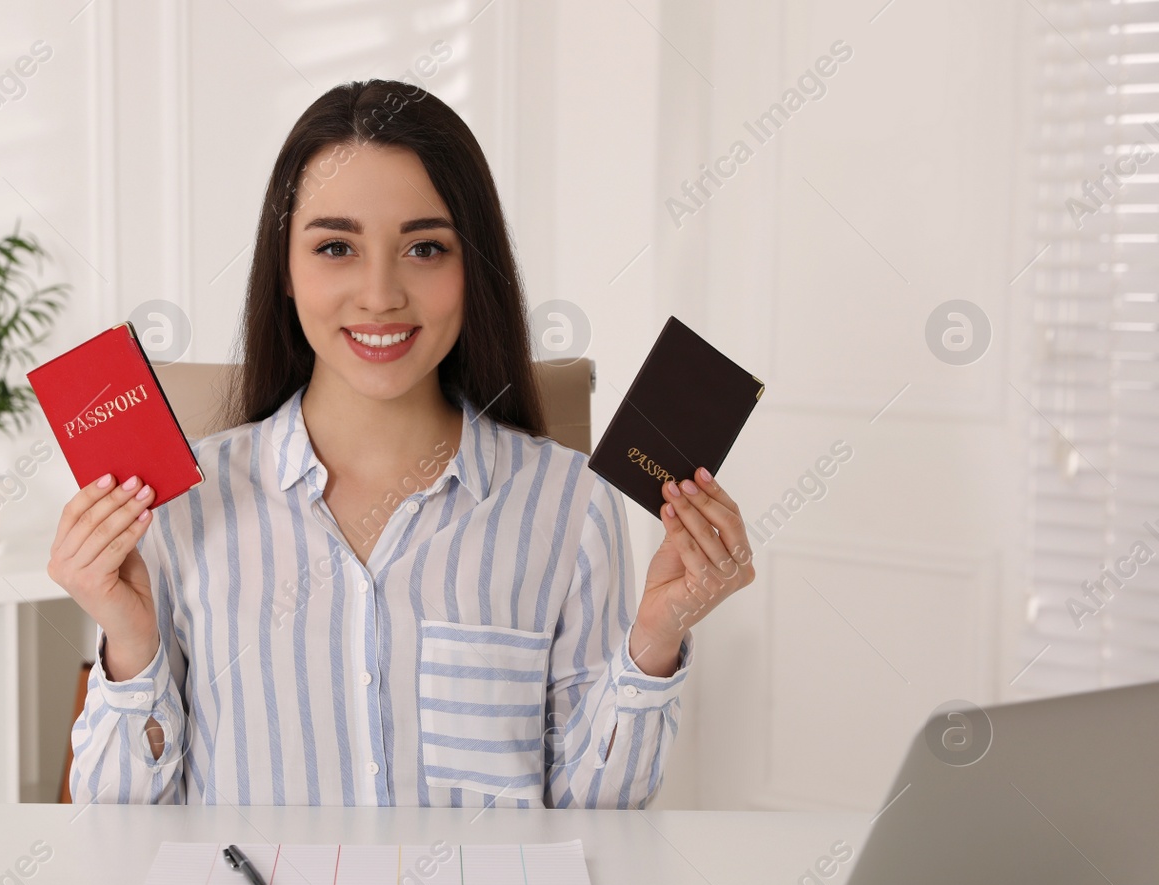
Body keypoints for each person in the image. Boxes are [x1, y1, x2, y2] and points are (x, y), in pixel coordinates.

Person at [47, 78, 754, 807]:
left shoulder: (573, 505)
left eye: (424, 247)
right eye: (335, 247)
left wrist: (655, 638)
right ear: (284, 270)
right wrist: (129, 643)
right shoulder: (180, 508)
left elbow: (595, 820)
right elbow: (118, 830)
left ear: (471, 269)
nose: (380, 293)